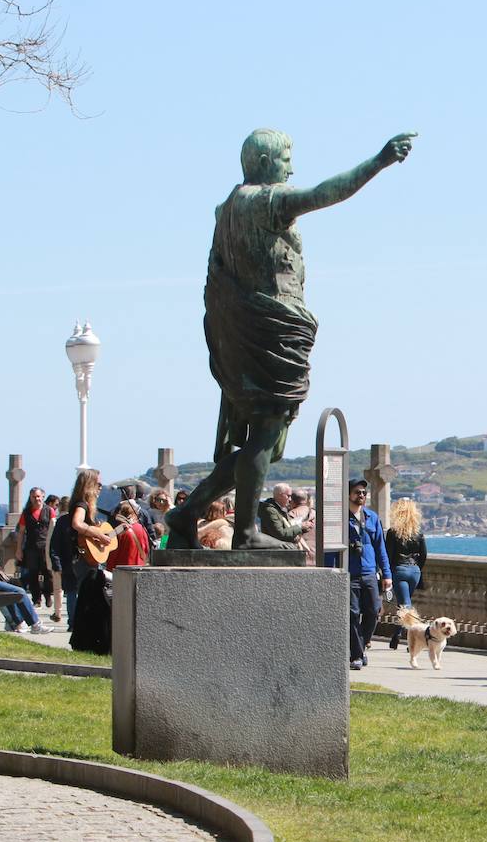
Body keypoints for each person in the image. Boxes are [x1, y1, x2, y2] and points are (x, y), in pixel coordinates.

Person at [163, 127, 416, 551]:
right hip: (270, 333)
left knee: (261, 442)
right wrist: (379, 161)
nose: (291, 167)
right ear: (264, 164)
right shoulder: (267, 201)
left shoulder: (225, 208)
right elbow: (326, 192)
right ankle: (244, 532)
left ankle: (188, 512)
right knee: (264, 434)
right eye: (285, 160)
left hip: (240, 335)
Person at [342, 479, 391, 669]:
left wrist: (387, 574)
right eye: (357, 492)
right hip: (350, 572)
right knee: (353, 614)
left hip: (369, 572)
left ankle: (359, 648)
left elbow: (381, 548)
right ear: (348, 494)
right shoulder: (340, 518)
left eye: (363, 492)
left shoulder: (372, 517)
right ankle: (356, 655)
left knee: (373, 611)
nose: (361, 495)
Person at [385, 498, 428, 650]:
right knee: (403, 604)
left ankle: (416, 637)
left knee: (405, 605)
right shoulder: (418, 533)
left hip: (399, 570)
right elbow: (423, 555)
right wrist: (416, 568)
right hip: (414, 571)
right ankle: (397, 634)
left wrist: (386, 574)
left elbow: (388, 556)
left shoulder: (392, 533)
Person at [67, 469, 111, 591]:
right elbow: (77, 523)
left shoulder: (81, 504)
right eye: (99, 484)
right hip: (83, 557)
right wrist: (98, 533)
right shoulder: (82, 505)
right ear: (90, 485)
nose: (101, 488)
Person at [14, 487, 56, 615]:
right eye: (34, 497)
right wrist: (18, 550)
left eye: (38, 496)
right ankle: (36, 599)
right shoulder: (26, 513)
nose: (36, 499)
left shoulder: (49, 511)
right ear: (30, 498)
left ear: (43, 497)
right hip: (31, 547)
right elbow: (21, 532)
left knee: (48, 574)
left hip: (46, 546)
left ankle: (48, 596)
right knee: (33, 575)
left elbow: (53, 528)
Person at [49, 496, 77, 631]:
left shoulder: (62, 521)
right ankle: (72, 622)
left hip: (75, 562)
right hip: (68, 562)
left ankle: (74, 622)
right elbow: (54, 545)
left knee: (72, 592)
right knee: (71, 592)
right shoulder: (62, 522)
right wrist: (56, 564)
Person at [258, 482, 311, 548]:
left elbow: (287, 529)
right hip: (277, 552)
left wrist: (303, 528)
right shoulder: (270, 511)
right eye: (288, 496)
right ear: (280, 495)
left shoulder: (279, 509)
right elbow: (280, 534)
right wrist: (300, 527)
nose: (290, 499)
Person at [105, 501, 150, 570]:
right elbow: (146, 549)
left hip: (122, 569)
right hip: (139, 567)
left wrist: (109, 568)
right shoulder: (142, 529)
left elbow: (113, 553)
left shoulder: (120, 531)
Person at [289, 488, 317, 563]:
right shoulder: (316, 514)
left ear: (292, 501)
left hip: (300, 556)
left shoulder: (292, 514)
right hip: (317, 556)